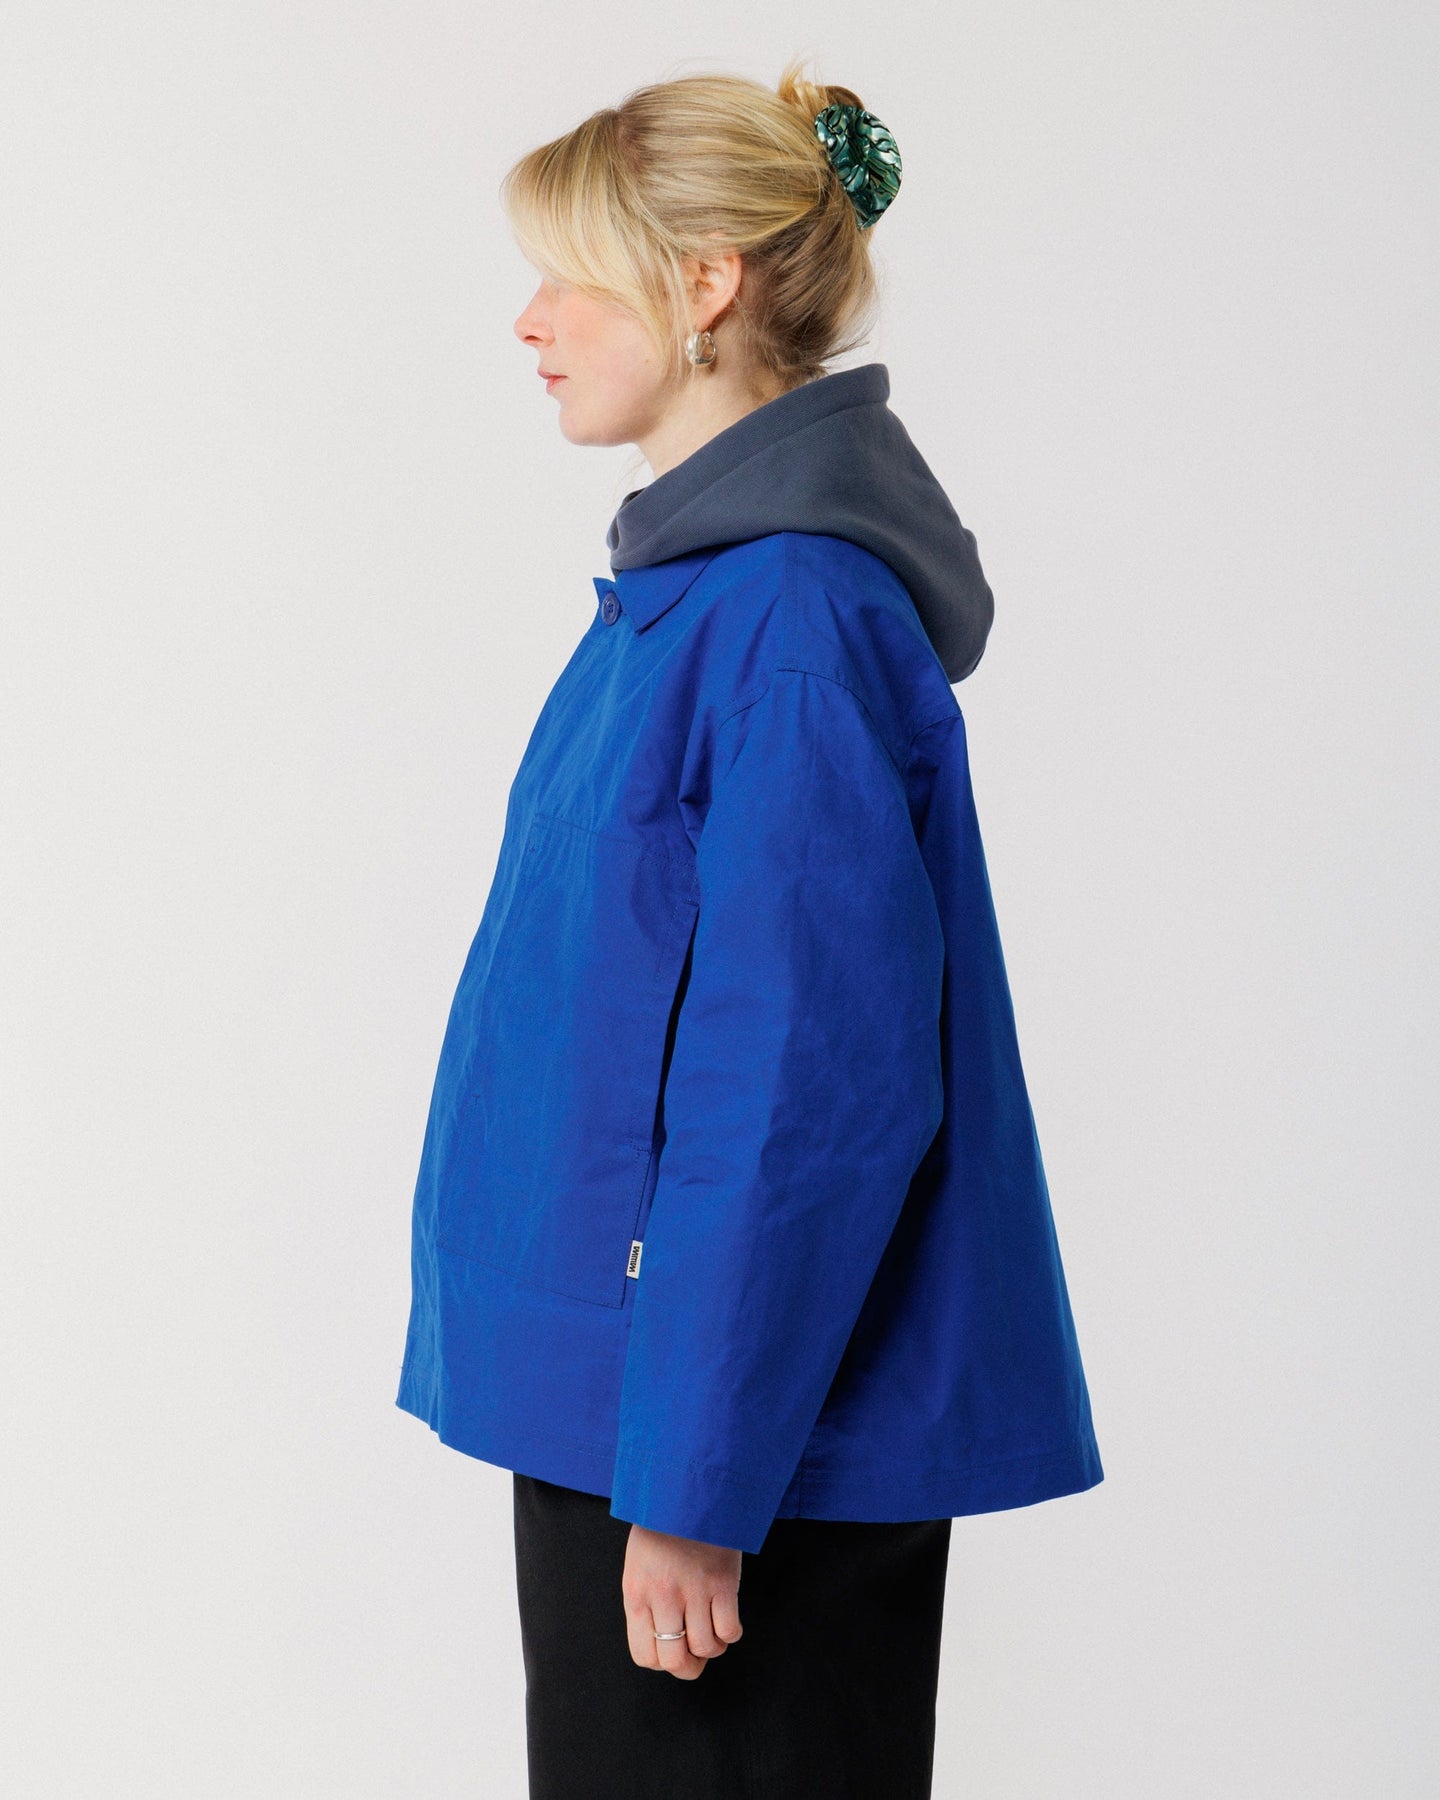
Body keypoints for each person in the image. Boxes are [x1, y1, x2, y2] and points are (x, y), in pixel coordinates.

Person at [395, 58, 1104, 1799]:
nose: (530, 321)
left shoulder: (785, 617)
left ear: (705, 284)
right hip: (650, 1420)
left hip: (725, 1453)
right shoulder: (695, 600)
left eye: (570, 274)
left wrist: (698, 1486)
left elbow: (801, 1093)